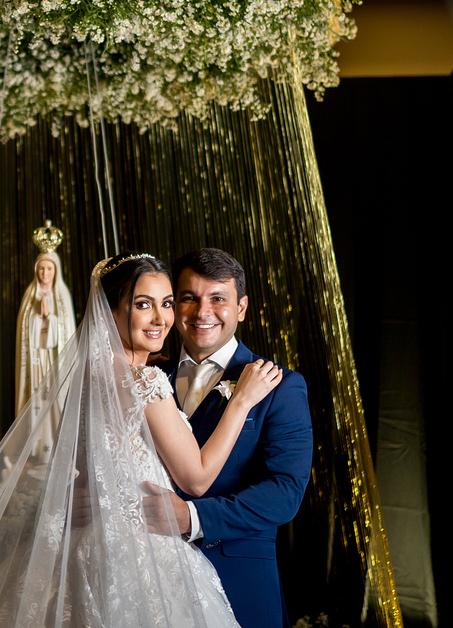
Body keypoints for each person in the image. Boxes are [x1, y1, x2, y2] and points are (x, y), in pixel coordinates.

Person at [0, 252, 281, 628]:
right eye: (143, 304)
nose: (160, 318)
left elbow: (90, 470)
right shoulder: (146, 380)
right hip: (142, 555)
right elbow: (196, 480)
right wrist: (241, 402)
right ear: (110, 310)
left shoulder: (86, 380)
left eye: (167, 303)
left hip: (86, 546)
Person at [144, 248, 314, 628]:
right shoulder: (147, 379)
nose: (202, 312)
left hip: (238, 580)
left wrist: (192, 517)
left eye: (218, 298)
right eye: (189, 298)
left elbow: (285, 491)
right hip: (148, 580)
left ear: (241, 307)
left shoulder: (280, 386)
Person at [14, 248, 76, 459]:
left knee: (55, 398)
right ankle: (34, 450)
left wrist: (50, 318)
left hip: (54, 359)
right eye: (41, 268)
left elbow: (67, 330)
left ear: (56, 271)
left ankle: (57, 448)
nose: (45, 273)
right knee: (35, 399)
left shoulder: (61, 296)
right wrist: (38, 318)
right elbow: (24, 330)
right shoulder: (30, 295)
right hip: (35, 359)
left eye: (49, 268)